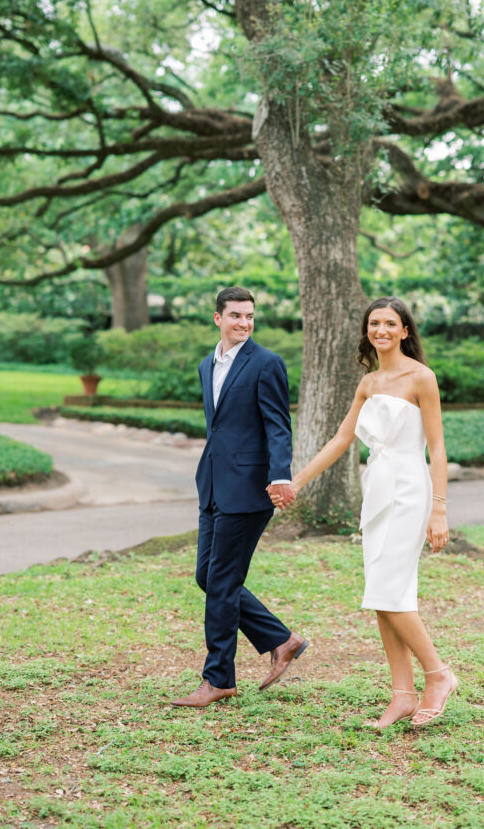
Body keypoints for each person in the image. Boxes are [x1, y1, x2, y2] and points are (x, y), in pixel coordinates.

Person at [271, 296, 456, 730]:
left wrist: (440, 510)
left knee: (388, 592)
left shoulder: (421, 378)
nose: (381, 330)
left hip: (411, 490)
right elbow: (340, 440)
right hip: (376, 490)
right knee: (383, 597)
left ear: (405, 331)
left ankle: (439, 674)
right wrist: (296, 483)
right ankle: (402, 696)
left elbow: (438, 447)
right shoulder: (369, 383)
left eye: (391, 323)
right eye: (375, 323)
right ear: (367, 330)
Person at [171, 286, 307, 710]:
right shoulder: (205, 364)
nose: (244, 323)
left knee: (222, 582)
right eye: (235, 316)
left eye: (250, 316)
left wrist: (280, 477)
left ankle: (218, 680)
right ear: (218, 318)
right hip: (212, 485)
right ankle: (281, 639)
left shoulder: (266, 363)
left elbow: (277, 425)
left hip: (249, 491)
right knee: (208, 578)